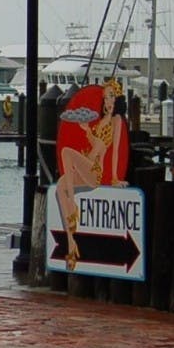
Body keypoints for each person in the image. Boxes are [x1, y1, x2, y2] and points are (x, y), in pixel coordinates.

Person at [53, 78, 127, 270]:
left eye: (111, 96)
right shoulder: (100, 121)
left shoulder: (117, 121)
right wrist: (87, 131)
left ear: (117, 98)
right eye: (106, 96)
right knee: (60, 188)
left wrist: (115, 178)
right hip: (87, 163)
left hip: (96, 173)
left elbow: (116, 150)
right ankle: (71, 243)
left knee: (66, 152)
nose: (108, 100)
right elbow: (96, 145)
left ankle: (74, 205)